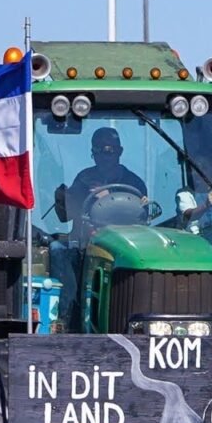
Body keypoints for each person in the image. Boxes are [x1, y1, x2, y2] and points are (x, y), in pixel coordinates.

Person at [51, 127, 148, 332]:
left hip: (118, 249)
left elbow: (141, 220)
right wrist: (62, 199)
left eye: (109, 150)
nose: (104, 155)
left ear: (119, 152)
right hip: (84, 246)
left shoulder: (134, 183)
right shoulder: (83, 179)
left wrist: (108, 197)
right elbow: (66, 215)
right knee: (57, 249)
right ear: (92, 153)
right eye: (98, 150)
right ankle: (65, 320)